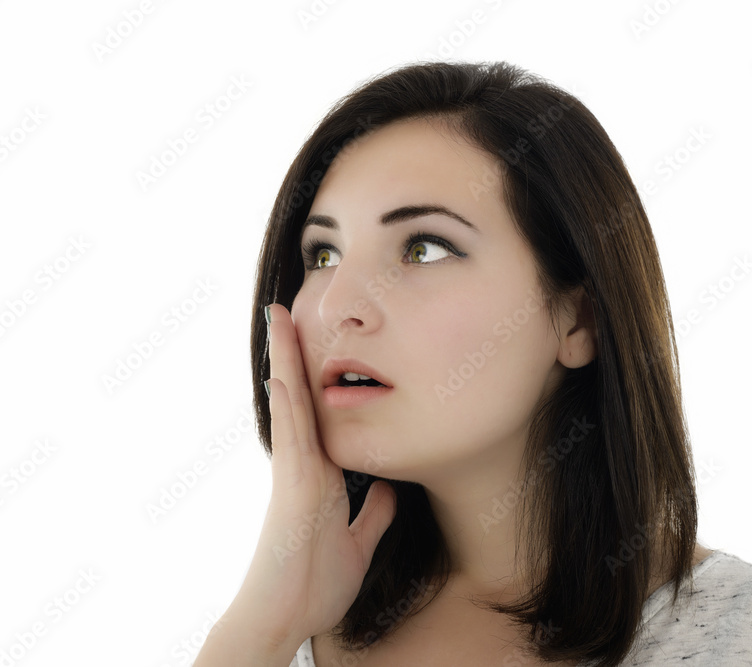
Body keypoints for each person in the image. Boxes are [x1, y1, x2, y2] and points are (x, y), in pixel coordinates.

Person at [193, 61, 752, 666]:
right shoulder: (295, 627)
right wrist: (260, 628)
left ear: (580, 319)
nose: (335, 306)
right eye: (323, 253)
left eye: (422, 248)